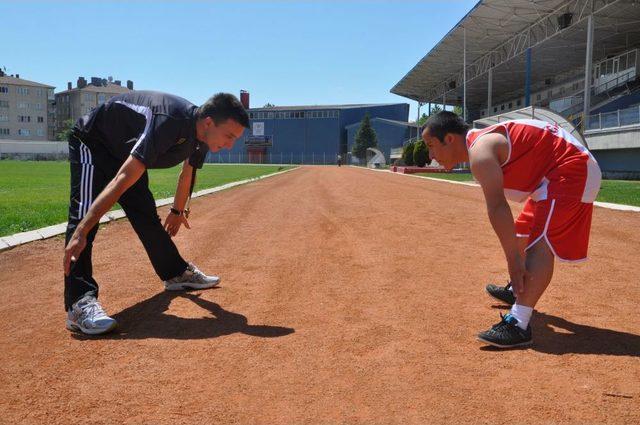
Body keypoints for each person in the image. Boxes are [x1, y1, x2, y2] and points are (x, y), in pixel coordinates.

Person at [63, 91, 249, 335]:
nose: (230, 145)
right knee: (84, 215)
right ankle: (78, 303)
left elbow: (188, 171)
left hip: (124, 151)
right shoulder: (168, 122)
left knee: (146, 216)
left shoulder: (202, 136)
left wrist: (177, 209)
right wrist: (82, 230)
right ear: (208, 123)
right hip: (94, 142)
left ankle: (175, 273)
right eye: (229, 136)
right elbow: (122, 178)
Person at [422, 111, 601, 348]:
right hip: (550, 177)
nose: (431, 155)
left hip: (571, 171)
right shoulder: (480, 145)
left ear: (450, 139)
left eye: (431, 145)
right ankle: (518, 289)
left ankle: (519, 323)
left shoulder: (479, 153)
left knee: (540, 244)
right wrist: (515, 255)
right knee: (521, 234)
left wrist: (513, 260)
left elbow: (497, 207)